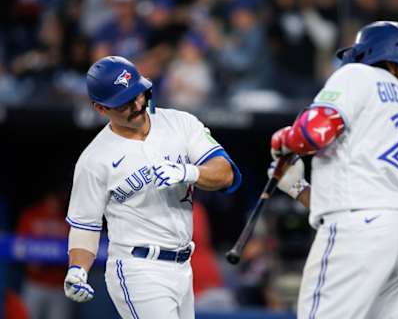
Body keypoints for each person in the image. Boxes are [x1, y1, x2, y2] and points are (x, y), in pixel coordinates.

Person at [269, 21, 398, 319]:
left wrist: (284, 140)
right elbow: (366, 190)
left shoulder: (358, 74)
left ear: (367, 51)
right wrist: (298, 188)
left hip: (361, 228)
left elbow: (313, 133)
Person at [63, 55, 241, 319]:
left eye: (138, 94)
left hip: (183, 266)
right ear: (101, 108)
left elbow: (225, 174)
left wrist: (188, 171)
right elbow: (84, 225)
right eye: (124, 103)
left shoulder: (180, 123)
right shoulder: (94, 159)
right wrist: (77, 269)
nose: (137, 105)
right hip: (137, 268)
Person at [16, 189, 71, 319]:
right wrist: (30, 260)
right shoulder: (31, 215)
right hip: (35, 283)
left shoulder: (69, 219)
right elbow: (17, 246)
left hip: (60, 285)